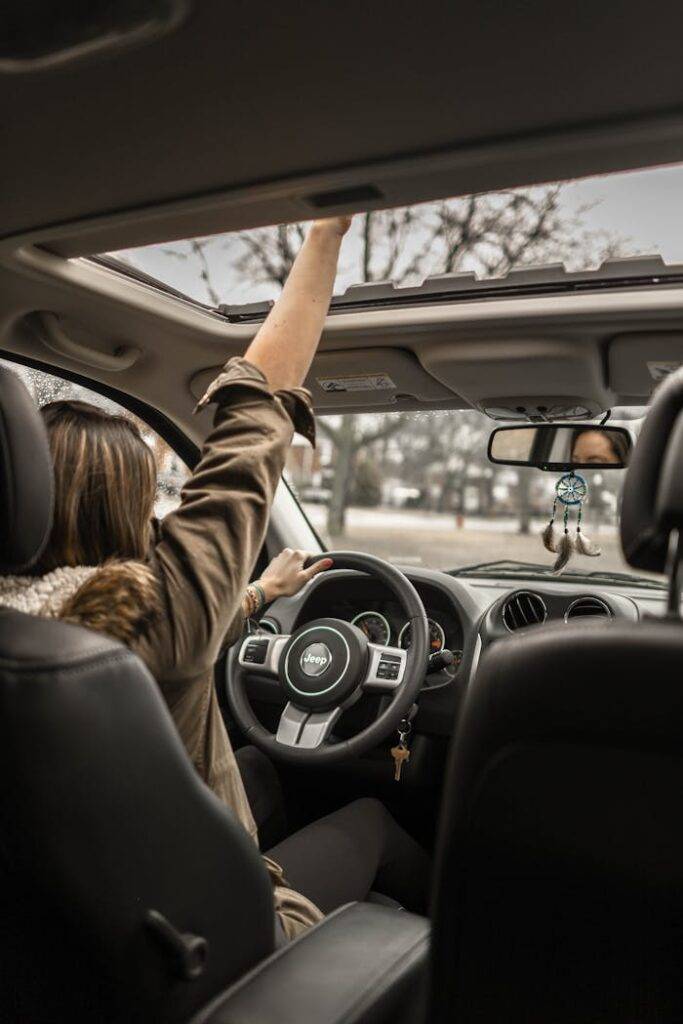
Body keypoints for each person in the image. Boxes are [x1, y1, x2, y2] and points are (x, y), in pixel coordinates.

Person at [0, 216, 430, 938]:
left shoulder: (33, 642)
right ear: (130, 511)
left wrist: (260, 595)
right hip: (223, 943)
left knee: (259, 770)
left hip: (72, 935)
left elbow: (195, 633)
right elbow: (255, 417)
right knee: (373, 820)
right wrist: (327, 232)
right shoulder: (151, 616)